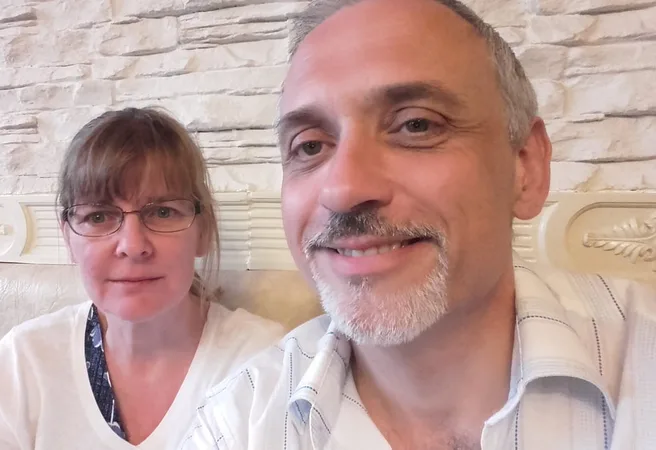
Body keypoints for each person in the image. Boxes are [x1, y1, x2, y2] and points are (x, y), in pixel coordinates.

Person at [179, 0, 656, 449]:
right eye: (310, 146)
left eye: (416, 125)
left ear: (525, 167)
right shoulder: (236, 426)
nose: (343, 190)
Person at [0, 108, 284, 450]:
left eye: (162, 212)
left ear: (202, 231)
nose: (132, 245)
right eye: (99, 216)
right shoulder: (23, 363)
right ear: (68, 238)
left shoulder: (265, 361)